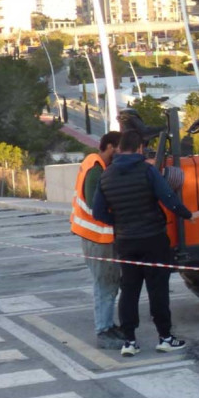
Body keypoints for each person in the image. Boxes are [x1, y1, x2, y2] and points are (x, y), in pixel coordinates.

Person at [91, 130, 199, 357]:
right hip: (153, 239)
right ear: (139, 149)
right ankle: (165, 338)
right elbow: (168, 198)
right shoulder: (147, 170)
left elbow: (98, 212)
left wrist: (119, 223)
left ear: (119, 148)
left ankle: (130, 342)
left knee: (129, 290)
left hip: (125, 241)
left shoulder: (106, 176)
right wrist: (188, 215)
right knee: (158, 289)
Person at [70, 131, 122, 349]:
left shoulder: (96, 165)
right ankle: (103, 330)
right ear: (110, 146)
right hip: (97, 237)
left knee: (109, 284)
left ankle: (109, 325)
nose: (121, 152)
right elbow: (95, 206)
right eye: (120, 147)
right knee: (105, 285)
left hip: (96, 236)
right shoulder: (95, 169)